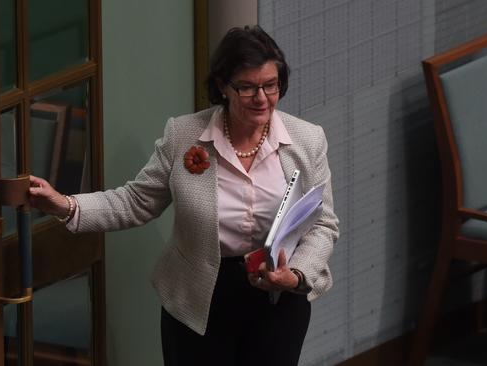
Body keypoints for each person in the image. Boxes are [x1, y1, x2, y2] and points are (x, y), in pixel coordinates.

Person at [29, 25, 339, 366]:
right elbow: (135, 202)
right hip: (199, 299)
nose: (262, 98)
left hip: (279, 297)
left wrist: (294, 275)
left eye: (271, 85)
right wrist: (66, 205)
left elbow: (322, 225)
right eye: (248, 87)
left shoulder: (308, 140)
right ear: (223, 86)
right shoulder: (184, 135)